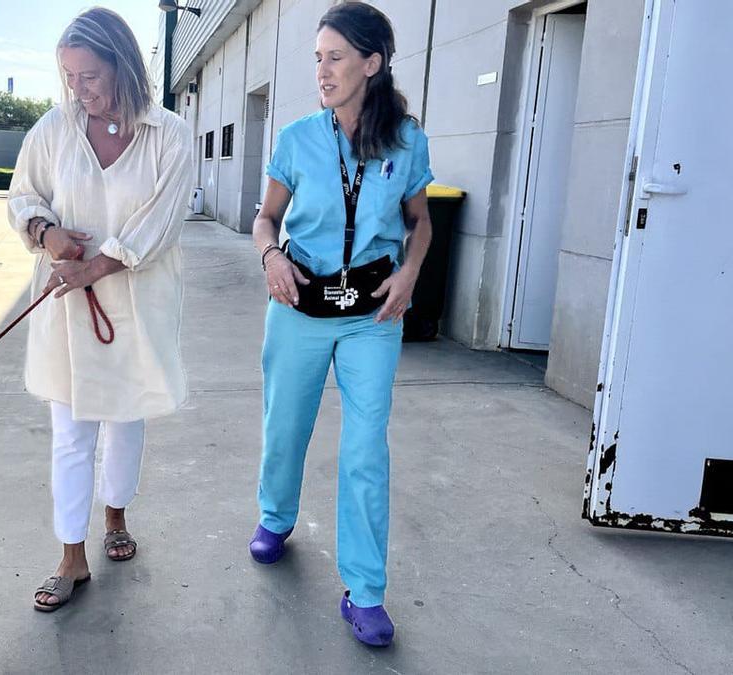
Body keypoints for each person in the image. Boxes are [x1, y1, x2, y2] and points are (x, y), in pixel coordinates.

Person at [247, 2, 434, 646]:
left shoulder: (408, 141)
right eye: (317, 58)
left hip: (373, 316)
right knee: (286, 425)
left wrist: (411, 273)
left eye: (336, 58)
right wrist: (270, 256)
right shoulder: (298, 138)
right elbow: (265, 218)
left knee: (364, 450)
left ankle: (366, 591)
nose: (322, 71)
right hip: (300, 305)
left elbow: (420, 222)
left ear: (372, 64)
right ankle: (275, 516)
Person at [6, 6, 194, 612]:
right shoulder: (53, 129)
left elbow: (160, 221)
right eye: (68, 77)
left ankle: (116, 518)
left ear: (123, 65)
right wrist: (44, 231)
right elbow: (23, 194)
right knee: (70, 432)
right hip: (66, 303)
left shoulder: (170, 133)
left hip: (136, 301)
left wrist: (100, 263)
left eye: (88, 76)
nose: (77, 90)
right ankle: (70, 556)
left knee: (126, 420)